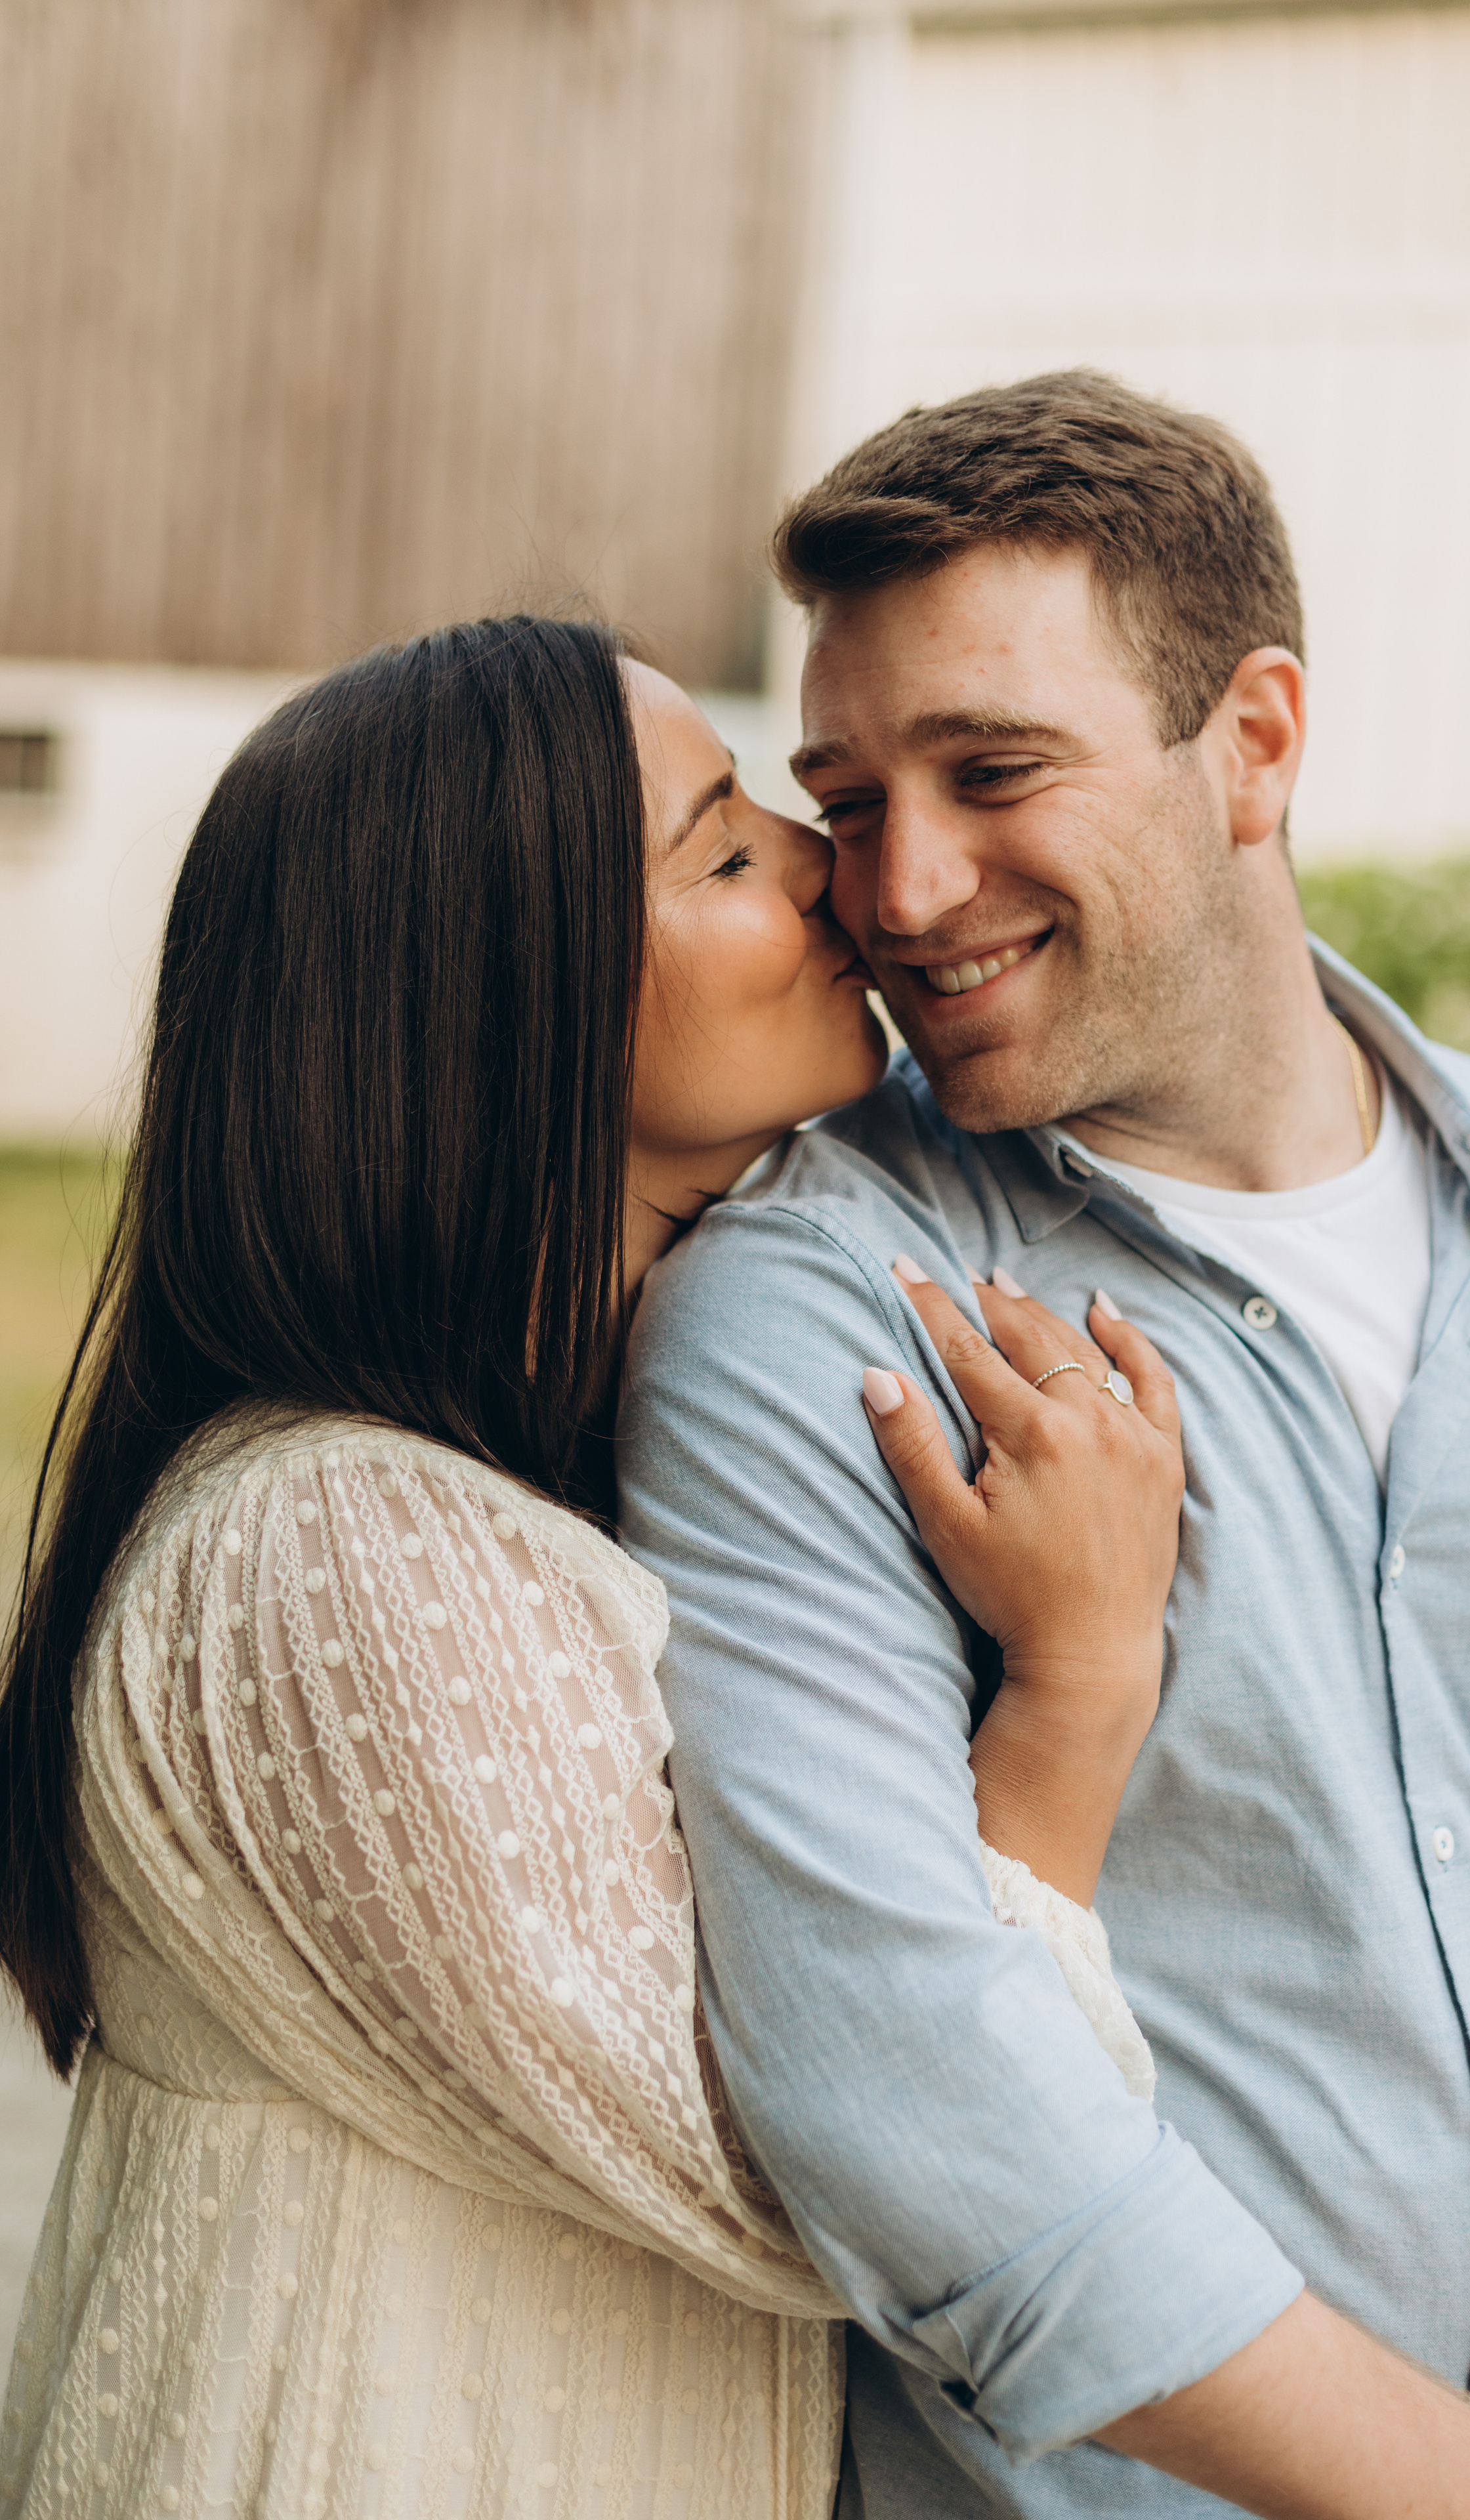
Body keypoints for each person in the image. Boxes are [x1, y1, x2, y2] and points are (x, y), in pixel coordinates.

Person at [616, 370, 1470, 2517]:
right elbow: (902, 2080)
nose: (898, 888)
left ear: (1256, 742)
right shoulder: (812, 1316)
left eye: (992, 769)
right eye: (842, 791)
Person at [0, 615, 1186, 2520]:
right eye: (725, 850)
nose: (831, 867)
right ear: (499, 1010)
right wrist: (1077, 1693)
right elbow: (894, 2178)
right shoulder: (330, 1561)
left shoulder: (585, 1471)